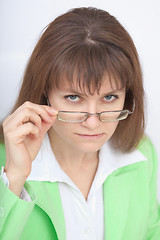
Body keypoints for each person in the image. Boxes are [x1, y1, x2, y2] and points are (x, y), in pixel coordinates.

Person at [0, 7, 160, 240]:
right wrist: (14, 177)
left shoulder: (142, 154)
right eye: (74, 98)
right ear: (45, 91)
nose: (93, 123)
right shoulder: (7, 162)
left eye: (109, 97)